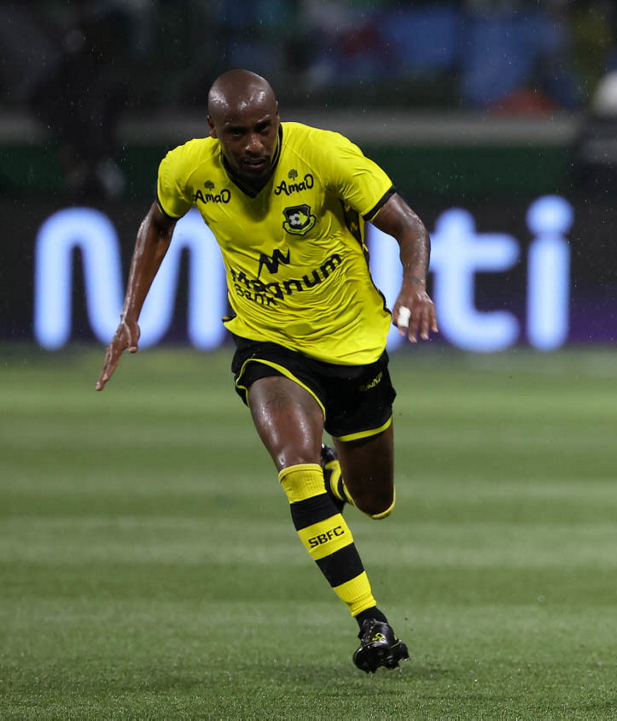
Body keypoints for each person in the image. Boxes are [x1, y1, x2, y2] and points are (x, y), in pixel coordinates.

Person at [95, 70, 438, 673]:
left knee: (374, 501)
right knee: (295, 467)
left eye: (263, 128)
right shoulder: (186, 168)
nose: (253, 144)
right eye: (237, 133)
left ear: (278, 118)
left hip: (353, 346)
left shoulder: (326, 155)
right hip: (268, 342)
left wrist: (415, 284)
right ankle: (371, 621)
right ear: (213, 131)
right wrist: (129, 315)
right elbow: (158, 224)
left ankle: (335, 482)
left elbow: (408, 226)